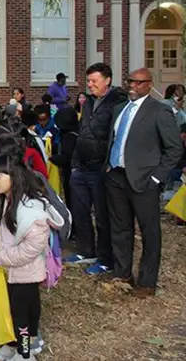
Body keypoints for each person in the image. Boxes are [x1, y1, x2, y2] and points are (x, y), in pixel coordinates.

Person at [104, 68, 181, 297]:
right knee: (120, 229)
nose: (133, 86)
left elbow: (174, 149)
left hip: (144, 180)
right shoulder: (119, 109)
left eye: (139, 83)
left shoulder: (159, 111)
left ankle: (147, 283)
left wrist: (157, 177)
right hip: (116, 176)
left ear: (149, 84)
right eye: (130, 81)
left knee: (149, 232)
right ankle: (122, 274)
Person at [0, 153, 64, 361]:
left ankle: (25, 353)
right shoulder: (4, 201)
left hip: (25, 271)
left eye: (0, 174)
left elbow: (31, 248)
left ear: (15, 176)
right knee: (11, 309)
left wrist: (0, 255)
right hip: (11, 270)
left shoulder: (31, 210)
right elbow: (2, 232)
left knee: (22, 314)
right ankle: (12, 345)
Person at [64, 63, 127, 275]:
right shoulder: (89, 102)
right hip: (80, 167)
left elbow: (117, 137)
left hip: (100, 170)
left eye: (94, 81)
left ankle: (106, 258)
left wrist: (108, 166)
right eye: (88, 81)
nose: (89, 85)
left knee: (102, 217)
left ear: (107, 80)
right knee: (80, 212)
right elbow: (82, 132)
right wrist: (74, 163)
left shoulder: (118, 103)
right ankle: (86, 250)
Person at [49, 107, 79, 221]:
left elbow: (67, 156)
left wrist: (51, 159)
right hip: (72, 172)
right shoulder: (73, 131)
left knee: (73, 201)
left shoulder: (70, 136)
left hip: (72, 173)